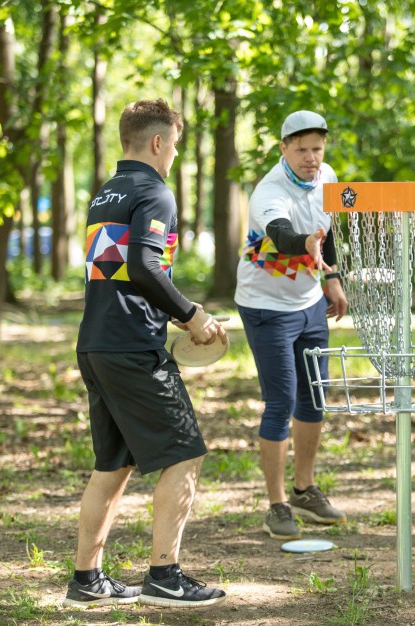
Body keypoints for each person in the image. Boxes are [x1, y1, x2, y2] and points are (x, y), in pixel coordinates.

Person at [63, 98, 228, 608]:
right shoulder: (155, 191)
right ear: (158, 142)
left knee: (112, 464)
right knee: (185, 453)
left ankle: (86, 580)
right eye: (175, 145)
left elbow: (125, 269)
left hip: (95, 344)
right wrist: (192, 315)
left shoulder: (105, 194)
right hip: (132, 347)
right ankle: (165, 575)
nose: (175, 155)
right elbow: (144, 267)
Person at [234, 110, 349, 540]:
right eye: (301, 149)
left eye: (317, 149)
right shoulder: (269, 191)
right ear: (283, 148)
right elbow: (282, 234)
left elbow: (328, 229)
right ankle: (277, 504)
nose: (311, 158)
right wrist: (306, 243)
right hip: (266, 307)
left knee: (314, 399)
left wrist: (332, 278)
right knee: (281, 401)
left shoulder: (328, 175)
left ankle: (304, 489)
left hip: (309, 303)